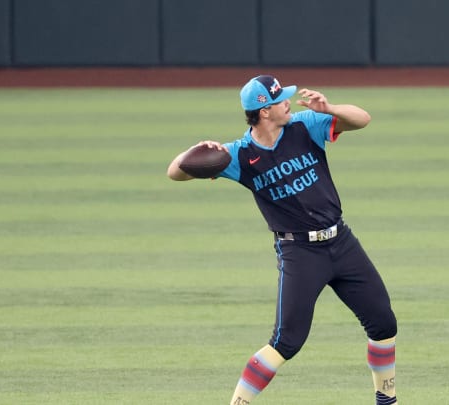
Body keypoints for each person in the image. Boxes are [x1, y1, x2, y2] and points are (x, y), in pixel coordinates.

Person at [167, 75, 398, 405]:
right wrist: (196, 150)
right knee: (287, 341)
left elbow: (363, 119)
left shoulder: (305, 126)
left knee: (383, 323)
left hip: (341, 242)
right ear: (263, 112)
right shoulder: (240, 156)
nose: (288, 101)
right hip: (300, 253)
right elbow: (175, 172)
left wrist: (329, 108)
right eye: (280, 100)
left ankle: (387, 401)